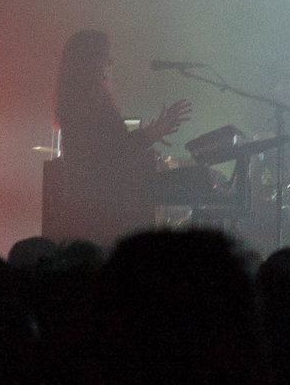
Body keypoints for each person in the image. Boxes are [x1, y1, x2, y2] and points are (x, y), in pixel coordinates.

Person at [53, 28, 194, 244]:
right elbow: (112, 150)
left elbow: (113, 146)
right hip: (102, 203)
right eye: (104, 55)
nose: (111, 61)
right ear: (90, 60)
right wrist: (151, 134)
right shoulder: (87, 101)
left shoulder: (78, 97)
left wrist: (150, 134)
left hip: (92, 198)